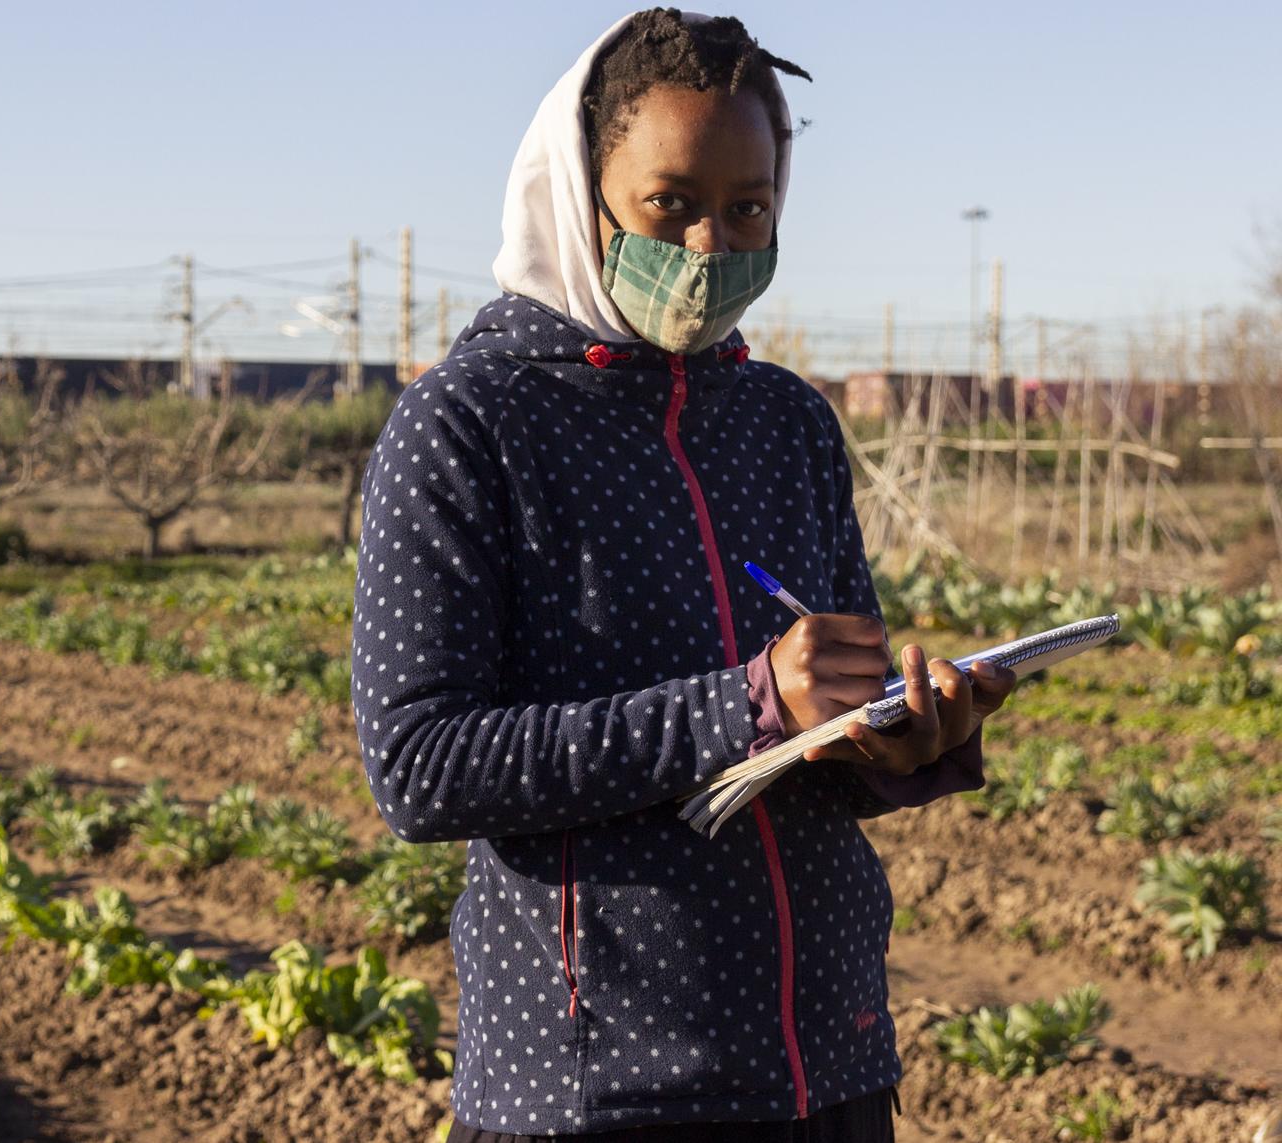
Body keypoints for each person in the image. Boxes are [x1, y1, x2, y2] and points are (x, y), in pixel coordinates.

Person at [349, 9, 1020, 1140]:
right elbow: (420, 766)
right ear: (581, 190)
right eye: (672, 203)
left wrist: (896, 736)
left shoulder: (785, 421)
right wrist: (743, 701)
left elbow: (811, 741)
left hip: (829, 1064)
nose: (713, 243)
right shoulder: (467, 424)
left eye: (748, 206)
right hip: (601, 1089)